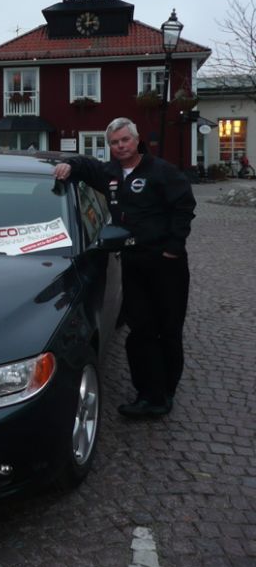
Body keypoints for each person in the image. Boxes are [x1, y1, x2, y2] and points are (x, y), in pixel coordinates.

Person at [54, 117, 196, 418]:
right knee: (141, 330)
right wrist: (70, 166)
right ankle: (149, 394)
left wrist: (174, 247)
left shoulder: (161, 171)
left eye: (124, 141)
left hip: (166, 264)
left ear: (136, 139)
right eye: (114, 143)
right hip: (132, 262)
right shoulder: (110, 173)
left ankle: (165, 391)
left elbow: (184, 205)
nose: (120, 146)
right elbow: (85, 165)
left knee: (168, 330)